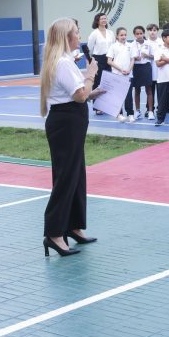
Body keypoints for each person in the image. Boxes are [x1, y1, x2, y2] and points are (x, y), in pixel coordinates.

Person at [39, 17, 106, 257]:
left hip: (69, 121)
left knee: (76, 174)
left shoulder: (63, 61)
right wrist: (91, 74)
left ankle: (73, 226)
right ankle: (54, 233)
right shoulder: (63, 63)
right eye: (76, 32)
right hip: (66, 123)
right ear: (67, 37)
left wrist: (92, 92)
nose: (79, 36)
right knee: (67, 177)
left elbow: (78, 94)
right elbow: (78, 95)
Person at [106, 27, 135, 123]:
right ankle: (119, 114)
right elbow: (109, 61)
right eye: (121, 35)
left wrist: (129, 70)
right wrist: (121, 69)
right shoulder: (113, 46)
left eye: (125, 35)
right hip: (117, 75)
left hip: (128, 75)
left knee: (128, 96)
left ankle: (130, 114)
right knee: (118, 96)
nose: (123, 37)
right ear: (117, 36)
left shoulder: (130, 46)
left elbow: (132, 59)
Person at [86, 13, 115, 106]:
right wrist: (91, 62)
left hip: (109, 59)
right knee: (98, 82)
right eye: (102, 19)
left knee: (109, 82)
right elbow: (89, 49)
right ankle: (97, 106)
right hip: (98, 59)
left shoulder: (111, 33)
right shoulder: (94, 33)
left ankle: (107, 105)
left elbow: (113, 47)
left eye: (105, 18)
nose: (104, 20)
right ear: (97, 21)